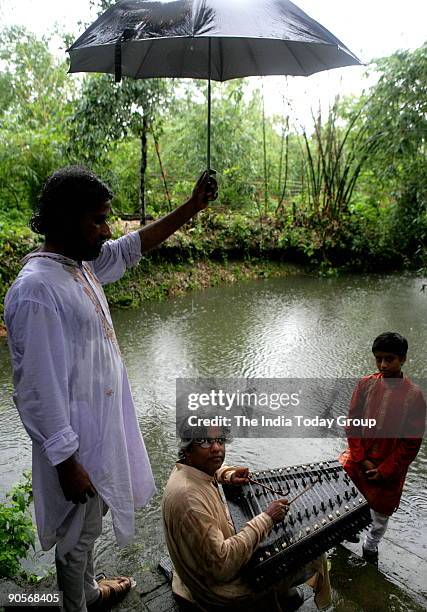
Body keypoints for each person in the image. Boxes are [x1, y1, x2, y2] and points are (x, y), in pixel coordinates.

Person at [4, 165, 218, 612]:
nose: (106, 230)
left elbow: (132, 246)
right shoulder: (36, 289)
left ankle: (87, 592)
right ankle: (76, 604)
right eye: (98, 220)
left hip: (98, 434)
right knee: (75, 536)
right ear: (65, 219)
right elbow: (35, 390)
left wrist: (192, 207)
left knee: (91, 522)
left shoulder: (79, 265)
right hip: (75, 446)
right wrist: (66, 460)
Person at [162, 426, 331, 611]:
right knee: (314, 551)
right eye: (204, 441)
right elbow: (222, 566)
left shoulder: (186, 469)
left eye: (220, 440)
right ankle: (277, 595)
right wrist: (267, 518)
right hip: (217, 591)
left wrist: (229, 474)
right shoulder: (189, 498)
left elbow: (212, 471)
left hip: (197, 573)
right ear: (187, 449)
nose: (216, 448)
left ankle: (280, 592)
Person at [339, 332, 426, 563]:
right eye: (378, 359)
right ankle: (344, 534)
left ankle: (370, 547)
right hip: (360, 459)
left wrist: (385, 469)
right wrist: (361, 458)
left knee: (379, 517)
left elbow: (411, 443)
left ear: (403, 359)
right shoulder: (365, 384)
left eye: (389, 359)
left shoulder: (414, 396)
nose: (383, 365)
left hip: (390, 467)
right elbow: (352, 423)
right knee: (345, 499)